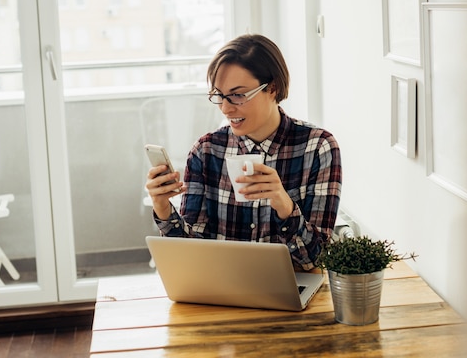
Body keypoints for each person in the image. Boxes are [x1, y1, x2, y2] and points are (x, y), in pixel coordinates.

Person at [145, 34, 342, 271]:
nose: (226, 108)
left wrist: (283, 204)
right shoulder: (206, 151)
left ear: (273, 88)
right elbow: (192, 257)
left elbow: (315, 260)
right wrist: (163, 209)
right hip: (220, 291)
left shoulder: (319, 147)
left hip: (289, 291)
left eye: (238, 95)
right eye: (219, 95)